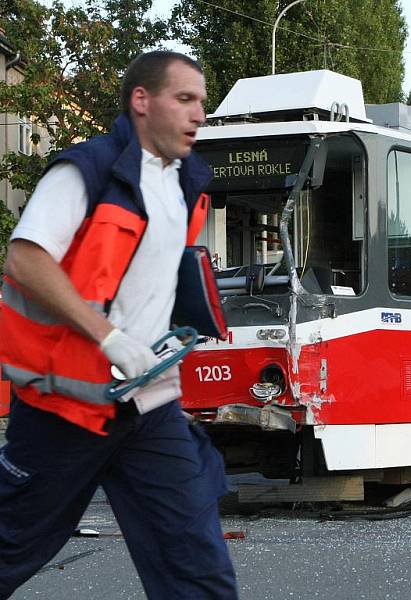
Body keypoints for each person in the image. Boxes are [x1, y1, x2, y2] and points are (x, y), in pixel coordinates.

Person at [0, 51, 238, 599]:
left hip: (149, 406)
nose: (199, 114)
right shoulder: (87, 169)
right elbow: (26, 259)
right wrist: (109, 338)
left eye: (201, 101)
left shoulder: (185, 188)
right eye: (184, 99)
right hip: (67, 406)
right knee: (11, 545)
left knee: (196, 564)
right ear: (141, 101)